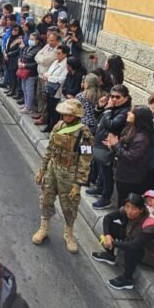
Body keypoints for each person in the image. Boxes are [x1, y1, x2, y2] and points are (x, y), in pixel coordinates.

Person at [31, 99, 94, 253]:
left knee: (69, 206)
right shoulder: (58, 126)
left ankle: (69, 234)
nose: (65, 116)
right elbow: (50, 149)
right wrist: (42, 169)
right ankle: (44, 228)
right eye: (64, 113)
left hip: (70, 173)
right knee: (46, 199)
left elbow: (86, 160)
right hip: (53, 169)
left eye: (69, 114)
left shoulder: (84, 133)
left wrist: (78, 184)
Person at [91, 193, 154, 290]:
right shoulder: (126, 210)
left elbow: (134, 245)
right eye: (127, 206)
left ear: (141, 209)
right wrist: (107, 235)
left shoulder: (151, 224)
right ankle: (110, 255)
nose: (130, 211)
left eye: (134, 208)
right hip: (133, 237)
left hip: (152, 252)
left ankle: (127, 279)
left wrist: (112, 243)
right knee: (112, 227)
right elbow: (107, 218)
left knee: (132, 249)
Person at [103, 106, 154, 205]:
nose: (128, 114)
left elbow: (131, 156)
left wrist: (116, 144)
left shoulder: (142, 138)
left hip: (130, 176)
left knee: (125, 201)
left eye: (131, 113)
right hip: (123, 172)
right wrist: (113, 145)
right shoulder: (132, 128)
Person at [91, 85, 132, 210]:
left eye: (118, 97)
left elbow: (111, 125)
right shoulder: (113, 108)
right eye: (112, 96)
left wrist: (107, 110)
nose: (114, 99)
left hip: (110, 146)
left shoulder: (124, 111)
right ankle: (99, 188)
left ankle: (105, 198)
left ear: (126, 98)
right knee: (101, 169)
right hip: (101, 143)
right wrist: (99, 107)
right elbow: (98, 118)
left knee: (107, 172)